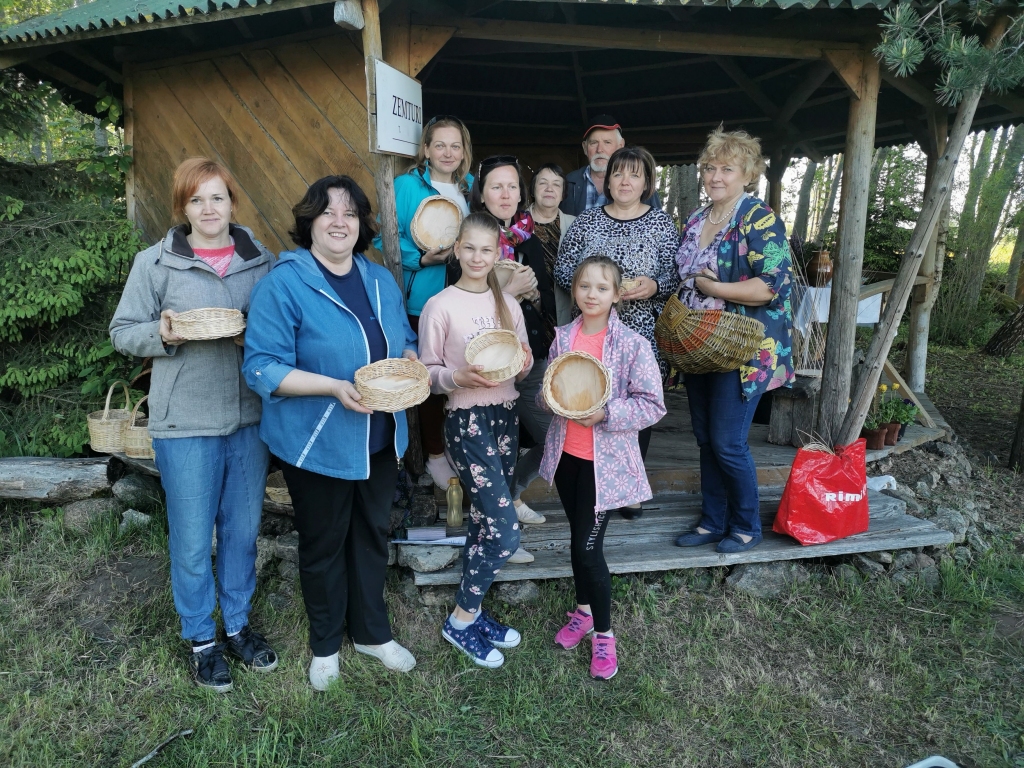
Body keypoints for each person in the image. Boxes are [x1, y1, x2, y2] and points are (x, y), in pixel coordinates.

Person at [243, 175, 419, 691]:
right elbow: (262, 367)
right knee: (323, 544)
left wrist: (408, 359)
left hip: (380, 437)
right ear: (310, 223)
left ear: (363, 224)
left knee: (370, 534)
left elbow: (403, 339)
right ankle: (325, 644)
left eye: (350, 213)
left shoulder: (379, 278)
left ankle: (370, 632)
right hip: (316, 440)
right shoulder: (285, 282)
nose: (340, 222)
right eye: (328, 212)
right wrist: (334, 387)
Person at [110, 157, 277, 693]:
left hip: (249, 418)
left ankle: (238, 625)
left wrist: (251, 336)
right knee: (189, 538)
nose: (209, 208)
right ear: (183, 208)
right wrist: (164, 334)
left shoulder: (260, 261)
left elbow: (280, 331)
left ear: (233, 201)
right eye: (196, 199)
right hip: (184, 421)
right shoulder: (155, 264)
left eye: (218, 197)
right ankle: (202, 639)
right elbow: (122, 332)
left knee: (242, 531)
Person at [540, 255, 665, 680]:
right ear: (574, 291)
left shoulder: (631, 344)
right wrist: (549, 399)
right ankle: (583, 611)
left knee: (586, 549)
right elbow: (550, 392)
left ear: (617, 295)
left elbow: (652, 404)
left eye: (602, 287)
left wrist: (606, 414)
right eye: (584, 286)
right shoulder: (563, 338)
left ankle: (605, 636)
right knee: (578, 540)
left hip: (604, 467)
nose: (591, 294)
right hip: (567, 458)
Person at [417, 212, 533, 669]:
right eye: (470, 248)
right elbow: (426, 376)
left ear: (499, 252)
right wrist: (455, 376)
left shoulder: (509, 305)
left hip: (505, 416)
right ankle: (460, 621)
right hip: (466, 421)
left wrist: (522, 362)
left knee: (486, 522)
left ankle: (475, 613)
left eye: (488, 249)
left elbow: (520, 366)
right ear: (457, 249)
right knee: (505, 531)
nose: (478, 257)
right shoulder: (440, 305)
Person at [672, 127, 794, 555]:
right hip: (700, 343)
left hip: (744, 346)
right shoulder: (696, 218)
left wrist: (715, 290)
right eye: (710, 167)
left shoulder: (758, 218)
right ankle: (712, 520)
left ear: (748, 174)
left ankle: (745, 526)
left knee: (728, 440)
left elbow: (772, 286)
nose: (716, 176)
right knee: (705, 438)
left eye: (728, 168)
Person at [556, 145, 680, 519]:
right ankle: (596, 479)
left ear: (646, 183)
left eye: (635, 174)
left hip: (639, 333)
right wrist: (595, 289)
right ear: (607, 180)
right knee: (593, 400)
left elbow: (676, 275)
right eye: (618, 173)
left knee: (634, 407)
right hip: (593, 332)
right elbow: (564, 271)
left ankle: (629, 488)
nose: (625, 181)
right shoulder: (587, 221)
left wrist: (654, 285)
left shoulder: (661, 224)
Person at [378, 115, 474, 491]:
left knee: (462, 376)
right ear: (426, 150)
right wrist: (421, 259)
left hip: (467, 297)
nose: (448, 153)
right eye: (440, 145)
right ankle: (434, 456)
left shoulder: (469, 187)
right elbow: (381, 239)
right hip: (425, 298)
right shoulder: (405, 186)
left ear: (464, 150)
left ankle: (457, 449)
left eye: (455, 145)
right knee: (432, 379)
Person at [472, 155, 556, 552]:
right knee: (493, 449)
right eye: (496, 186)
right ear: (482, 193)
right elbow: (468, 301)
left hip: (531, 358)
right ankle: (499, 530)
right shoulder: (471, 239)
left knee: (554, 434)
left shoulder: (529, 235)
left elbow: (539, 293)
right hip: (485, 364)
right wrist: (509, 290)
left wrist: (526, 291)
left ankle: (511, 495)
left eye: (511, 187)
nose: (505, 195)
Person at [560, 115, 661, 216]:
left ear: (620, 146)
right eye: (594, 143)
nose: (599, 149)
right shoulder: (567, 183)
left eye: (607, 142)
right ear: (585, 147)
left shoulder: (640, 186)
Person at [529, 163, 576, 325]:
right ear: (533, 190)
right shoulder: (516, 224)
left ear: (563, 194)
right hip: (526, 309)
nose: (549, 188)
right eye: (543, 183)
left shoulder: (576, 225)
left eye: (556, 184)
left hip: (566, 310)